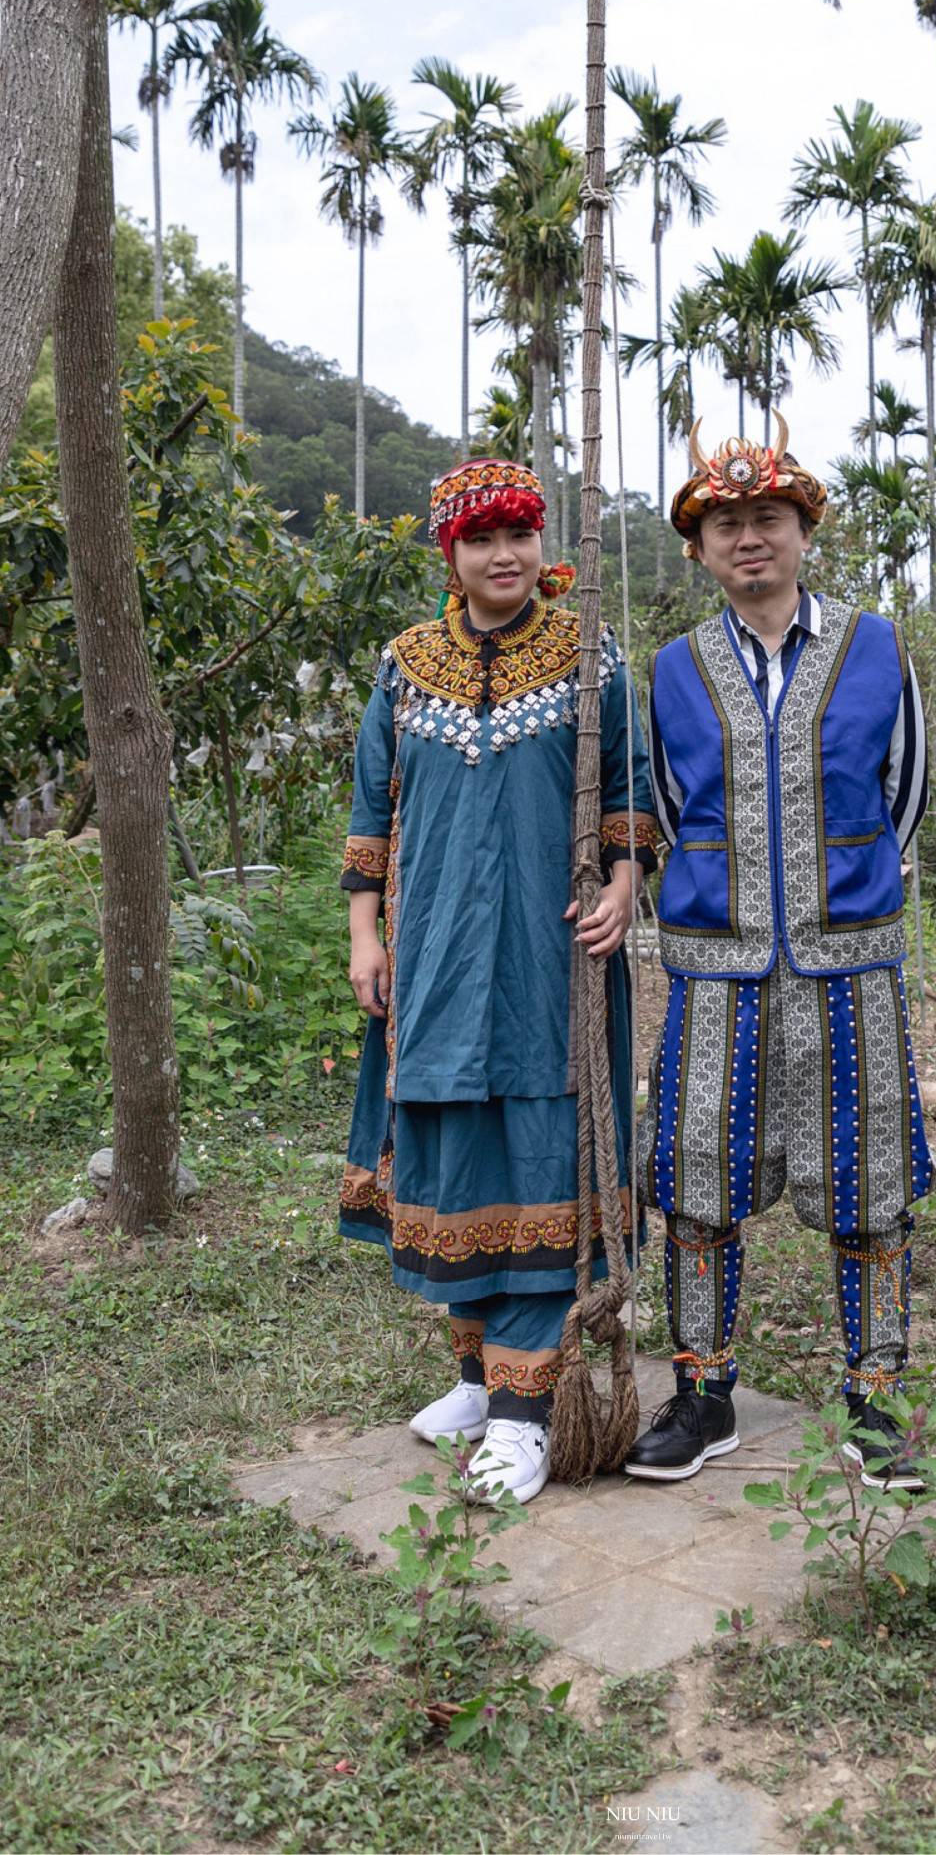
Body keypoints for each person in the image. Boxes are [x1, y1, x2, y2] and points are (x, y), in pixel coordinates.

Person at [337, 458, 657, 1505]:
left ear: (542, 543)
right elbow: (372, 812)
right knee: (455, 1149)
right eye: (480, 538)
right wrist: (365, 935)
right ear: (452, 554)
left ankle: (526, 1420)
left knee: (541, 1152)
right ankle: (478, 1382)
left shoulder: (589, 656)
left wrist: (622, 884)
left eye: (519, 533)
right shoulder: (404, 665)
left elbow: (630, 793)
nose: (503, 554)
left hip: (551, 958)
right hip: (431, 955)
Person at [628, 420, 931, 1487]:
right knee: (698, 1182)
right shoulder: (669, 671)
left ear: (805, 534)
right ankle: (703, 1394)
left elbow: (904, 796)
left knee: (868, 1182)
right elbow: (665, 804)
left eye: (768, 521)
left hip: (851, 964)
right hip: (714, 968)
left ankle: (876, 1397)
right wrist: (737, 897)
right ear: (701, 551)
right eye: (725, 526)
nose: (748, 540)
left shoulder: (876, 646)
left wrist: (829, 893)